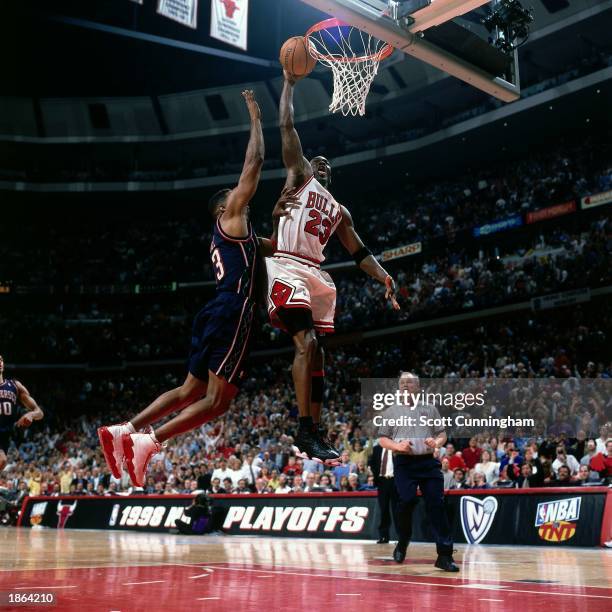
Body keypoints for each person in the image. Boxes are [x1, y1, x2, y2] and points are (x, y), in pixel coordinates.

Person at [97, 91, 289, 487]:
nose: (244, 204)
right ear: (225, 208)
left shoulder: (240, 237)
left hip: (217, 308)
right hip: (235, 308)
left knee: (190, 390)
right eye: (239, 202)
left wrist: (283, 213)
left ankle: (125, 429)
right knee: (218, 401)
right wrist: (255, 118)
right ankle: (149, 440)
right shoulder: (232, 217)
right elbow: (254, 163)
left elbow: (277, 246)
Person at [267, 71, 400, 465]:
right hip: (287, 265)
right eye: (316, 161)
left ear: (333, 175)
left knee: (320, 354)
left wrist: (385, 276)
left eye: (326, 165)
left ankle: (314, 431)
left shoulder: (340, 211)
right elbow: (286, 125)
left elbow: (360, 253)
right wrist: (289, 84)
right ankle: (304, 426)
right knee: (305, 344)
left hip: (315, 273)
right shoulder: (298, 176)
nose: (320, 165)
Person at [376, 372, 458, 572]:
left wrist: (436, 442)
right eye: (402, 382)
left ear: (418, 387)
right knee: (406, 501)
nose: (405, 385)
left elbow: (442, 434)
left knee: (436, 505)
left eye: (409, 382)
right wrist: (397, 446)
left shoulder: (430, 408)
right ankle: (403, 541)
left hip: (428, 463)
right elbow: (382, 439)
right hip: (404, 464)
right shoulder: (390, 412)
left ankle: (444, 556)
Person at [0, 354, 44, 472]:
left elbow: (39, 412)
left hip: (4, 434)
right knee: (2, 459)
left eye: (1, 360)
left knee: (2, 461)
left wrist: (30, 415)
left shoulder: (14, 386)